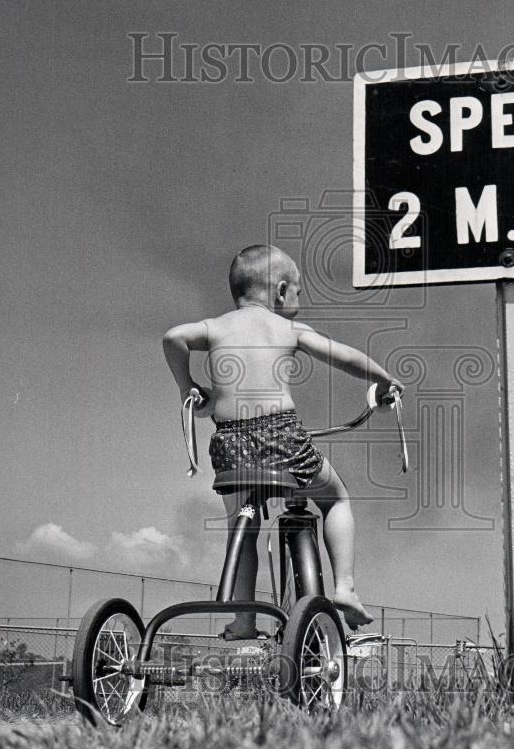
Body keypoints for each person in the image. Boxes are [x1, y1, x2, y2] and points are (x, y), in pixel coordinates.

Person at [163, 243, 403, 636]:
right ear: (279, 291)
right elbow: (343, 356)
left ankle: (243, 623)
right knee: (336, 497)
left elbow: (173, 337)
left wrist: (187, 387)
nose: (299, 300)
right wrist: (384, 379)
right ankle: (345, 588)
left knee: (242, 527)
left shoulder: (216, 326)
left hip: (229, 444)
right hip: (281, 435)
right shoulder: (287, 328)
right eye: (298, 291)